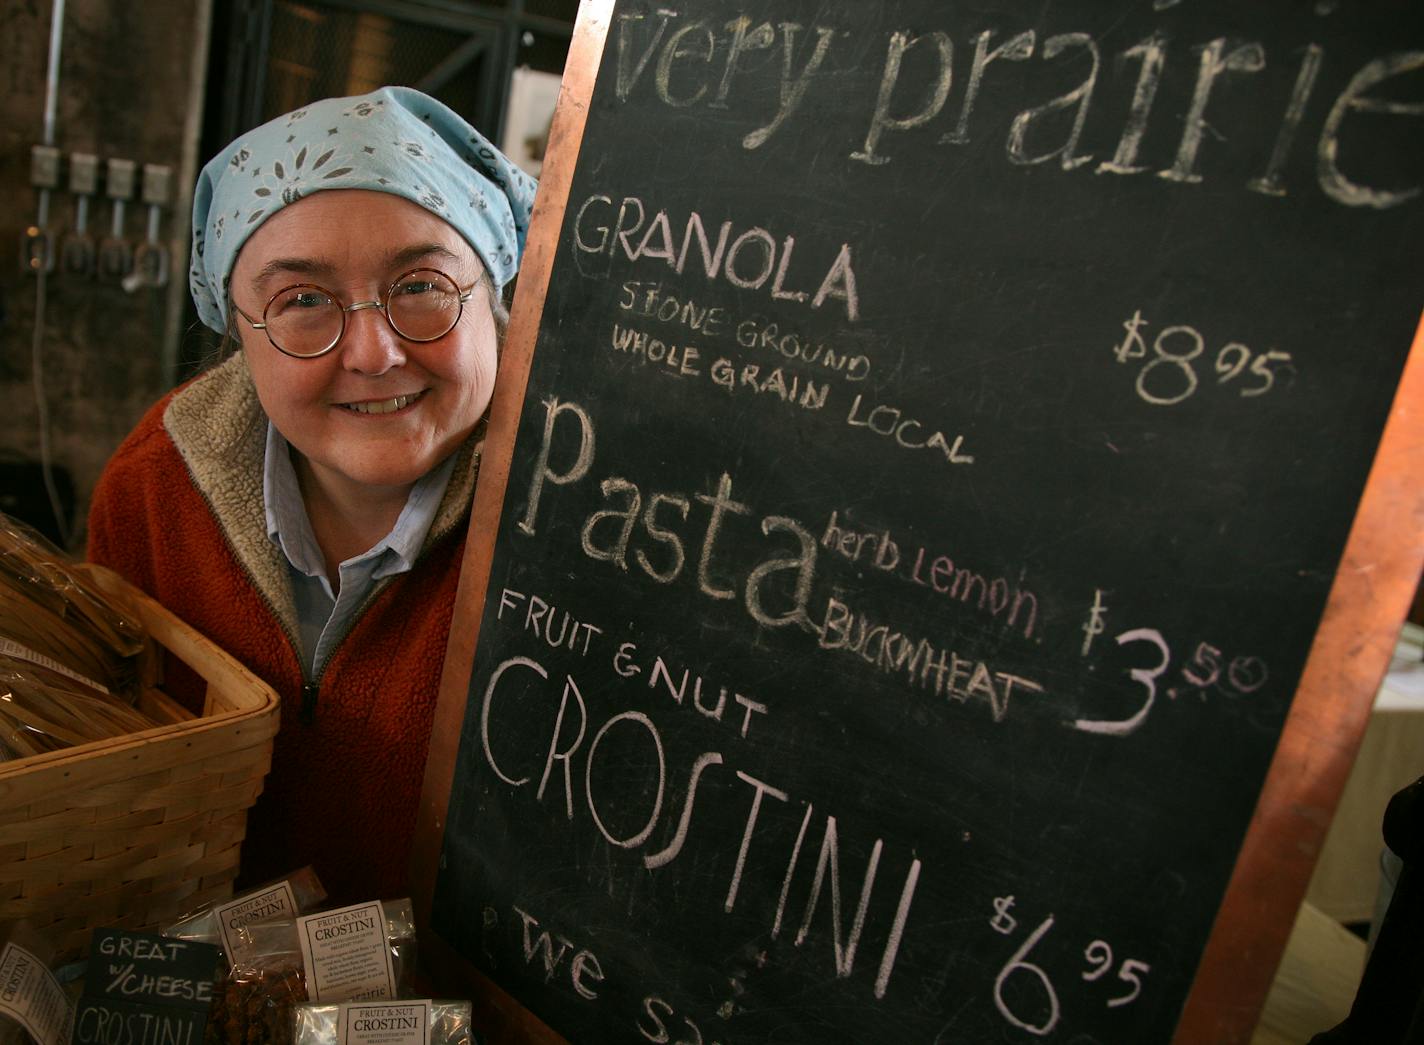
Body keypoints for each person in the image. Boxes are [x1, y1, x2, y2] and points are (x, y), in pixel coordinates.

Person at [86, 86, 538, 904]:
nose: (374, 352)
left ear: (497, 295)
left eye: (422, 285)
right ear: (238, 329)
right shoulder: (152, 492)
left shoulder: (587, 523)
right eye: (301, 301)